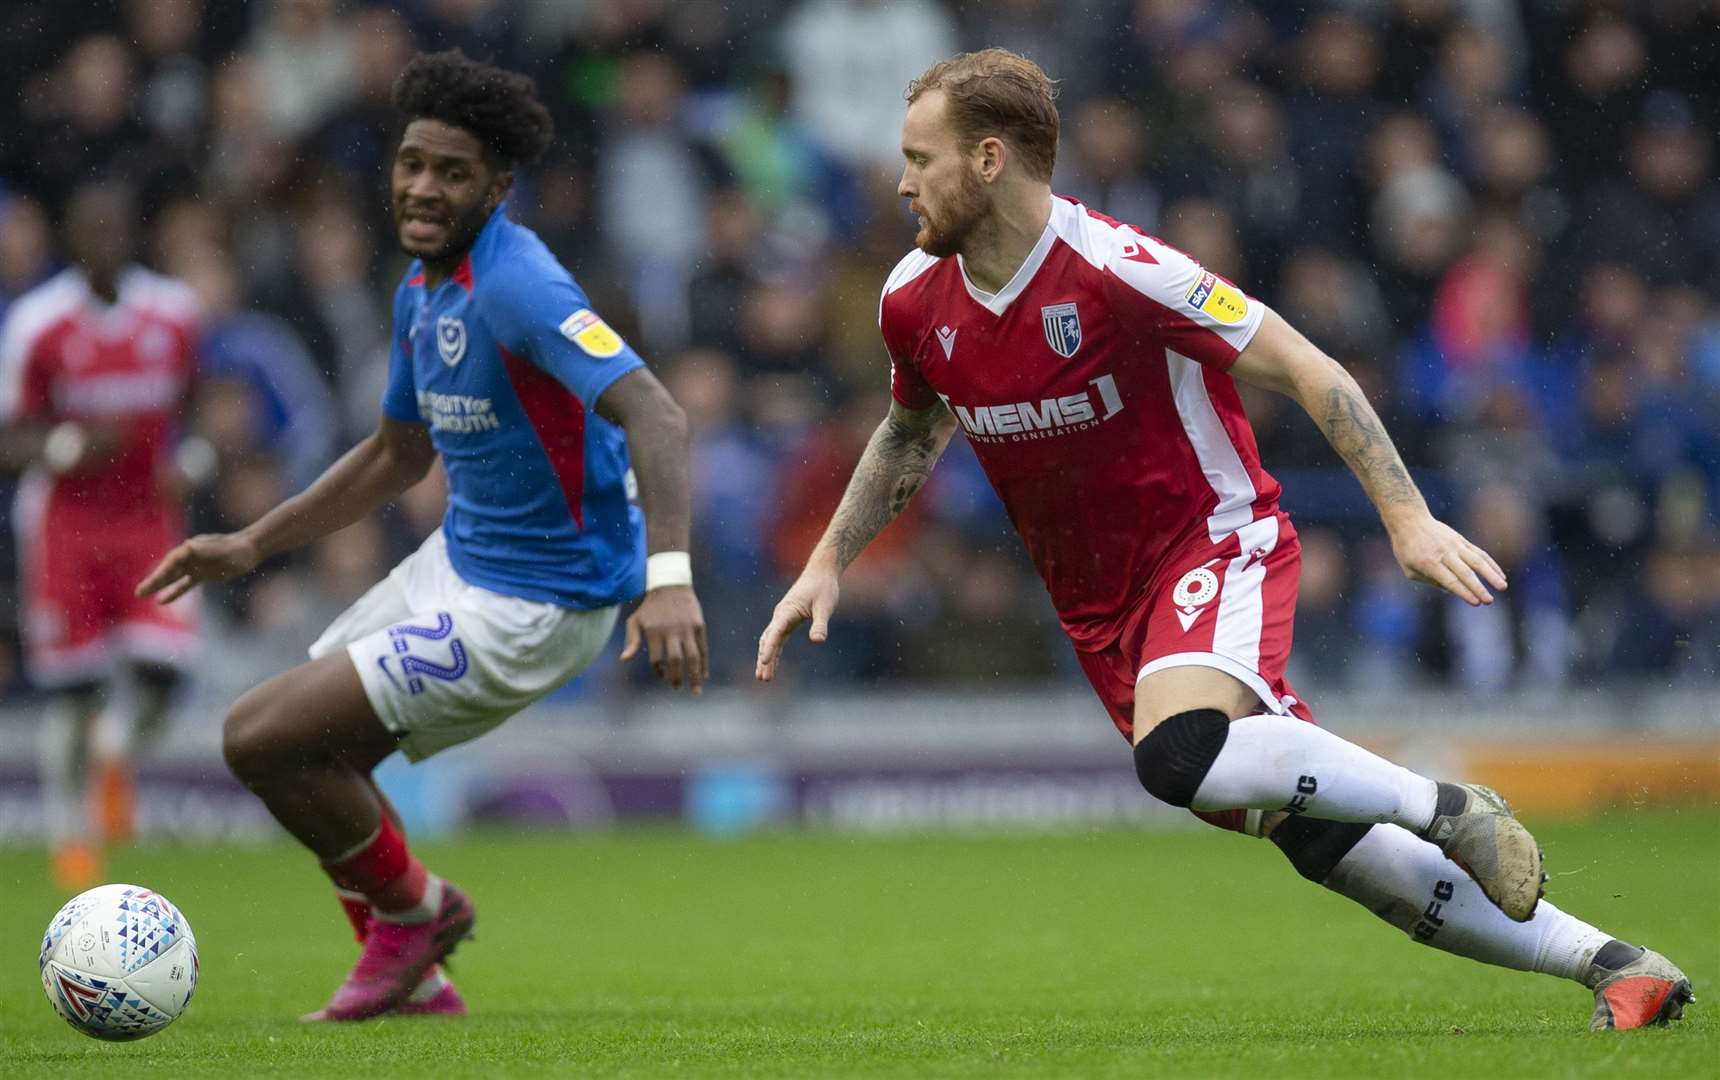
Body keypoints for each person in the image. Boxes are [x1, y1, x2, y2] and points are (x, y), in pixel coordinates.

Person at [755, 50, 1692, 1033]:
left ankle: (1444, 805)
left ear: (988, 160)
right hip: (1102, 612)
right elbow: (911, 431)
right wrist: (826, 561)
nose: (901, 181)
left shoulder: (1120, 270)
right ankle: (1618, 966)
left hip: (1213, 545)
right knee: (1327, 847)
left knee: (1179, 757)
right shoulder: (911, 299)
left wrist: (1405, 516)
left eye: (921, 158)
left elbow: (1305, 364)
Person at [137, 51, 707, 1022]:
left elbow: (656, 412)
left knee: (262, 738)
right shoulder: (419, 290)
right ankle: (415, 974)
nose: (422, 187)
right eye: (411, 164)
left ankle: (419, 912)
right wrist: (253, 543)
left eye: (451, 172)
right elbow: (395, 455)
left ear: (497, 186)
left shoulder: (517, 285)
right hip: (457, 561)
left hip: (537, 601)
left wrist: (671, 580)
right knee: (306, 753)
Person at [0, 179, 202, 890]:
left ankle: (114, 755)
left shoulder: (174, 314)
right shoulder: (37, 325)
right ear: (72, 241)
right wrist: (65, 448)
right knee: (73, 689)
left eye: (118, 231)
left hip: (150, 521)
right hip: (66, 527)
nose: (107, 246)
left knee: (168, 669)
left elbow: (201, 406)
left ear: (134, 237)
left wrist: (196, 457)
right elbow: (8, 437)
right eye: (93, 233)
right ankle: (71, 835)